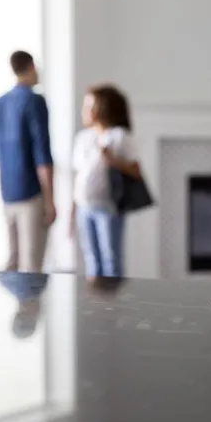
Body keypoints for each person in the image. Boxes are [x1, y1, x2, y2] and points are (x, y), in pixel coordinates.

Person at [0, 50, 55, 272]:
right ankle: (30, 307)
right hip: (31, 193)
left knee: (13, 261)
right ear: (31, 67)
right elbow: (42, 156)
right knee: (31, 267)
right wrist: (50, 201)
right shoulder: (35, 101)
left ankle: (14, 307)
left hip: (7, 191)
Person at [71, 85, 140, 279]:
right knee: (92, 261)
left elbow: (135, 171)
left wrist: (112, 160)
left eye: (89, 106)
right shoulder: (83, 138)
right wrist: (71, 212)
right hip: (84, 207)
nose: (85, 111)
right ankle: (98, 305)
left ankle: (114, 306)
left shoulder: (119, 136)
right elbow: (77, 177)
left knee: (111, 261)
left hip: (108, 207)